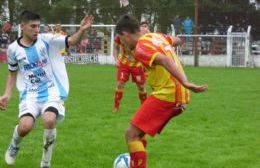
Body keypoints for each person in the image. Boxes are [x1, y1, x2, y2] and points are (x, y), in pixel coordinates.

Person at [0, 10, 94, 168]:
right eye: (33, 26)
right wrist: (7, 94)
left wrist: (82, 30)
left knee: (49, 119)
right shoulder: (13, 49)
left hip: (52, 92)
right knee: (25, 127)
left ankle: (45, 163)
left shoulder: (47, 39)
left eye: (38, 26)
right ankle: (14, 144)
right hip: (29, 95)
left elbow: (71, 41)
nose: (37, 30)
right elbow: (12, 74)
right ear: (22, 26)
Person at [115, 14, 208, 168]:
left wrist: (185, 81)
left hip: (169, 94)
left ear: (125, 34)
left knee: (130, 135)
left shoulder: (140, 48)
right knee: (138, 134)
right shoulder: (156, 36)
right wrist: (166, 44)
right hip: (177, 95)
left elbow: (164, 60)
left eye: (121, 39)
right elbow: (177, 40)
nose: (123, 44)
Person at [113, 22, 149, 113]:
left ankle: (144, 108)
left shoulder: (143, 36)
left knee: (141, 87)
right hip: (124, 63)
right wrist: (116, 59)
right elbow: (116, 47)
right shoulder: (120, 36)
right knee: (120, 84)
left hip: (137, 64)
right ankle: (116, 107)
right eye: (143, 26)